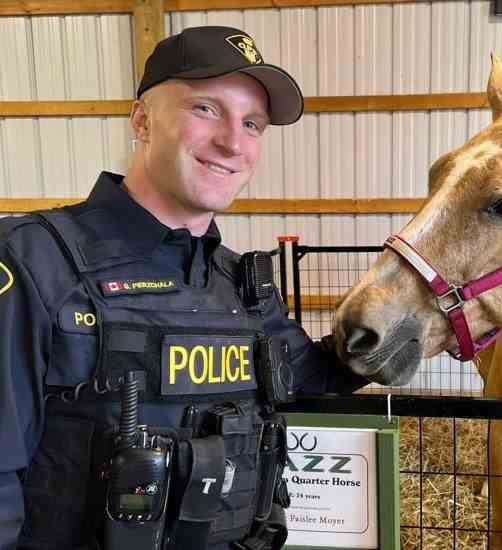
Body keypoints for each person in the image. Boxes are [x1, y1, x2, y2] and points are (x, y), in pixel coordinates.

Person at [0, 26, 366, 550]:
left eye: (253, 123)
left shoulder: (242, 286)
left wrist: (422, 316)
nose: (233, 142)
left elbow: (313, 375)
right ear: (142, 119)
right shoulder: (33, 259)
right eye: (206, 109)